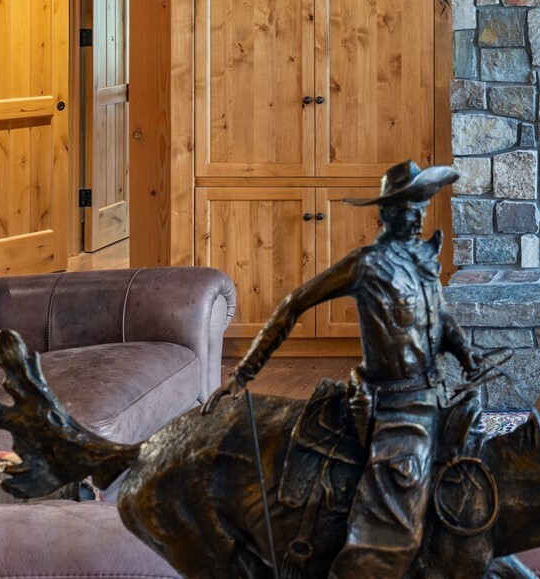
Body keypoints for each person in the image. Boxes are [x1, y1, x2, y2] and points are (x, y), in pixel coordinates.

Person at [205, 160, 479, 579]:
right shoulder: (367, 265)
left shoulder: (423, 260)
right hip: (392, 409)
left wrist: (466, 357)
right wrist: (243, 374)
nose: (420, 214)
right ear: (387, 212)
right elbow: (292, 303)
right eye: (410, 205)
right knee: (393, 534)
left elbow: (439, 319)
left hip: (432, 394)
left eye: (422, 203)